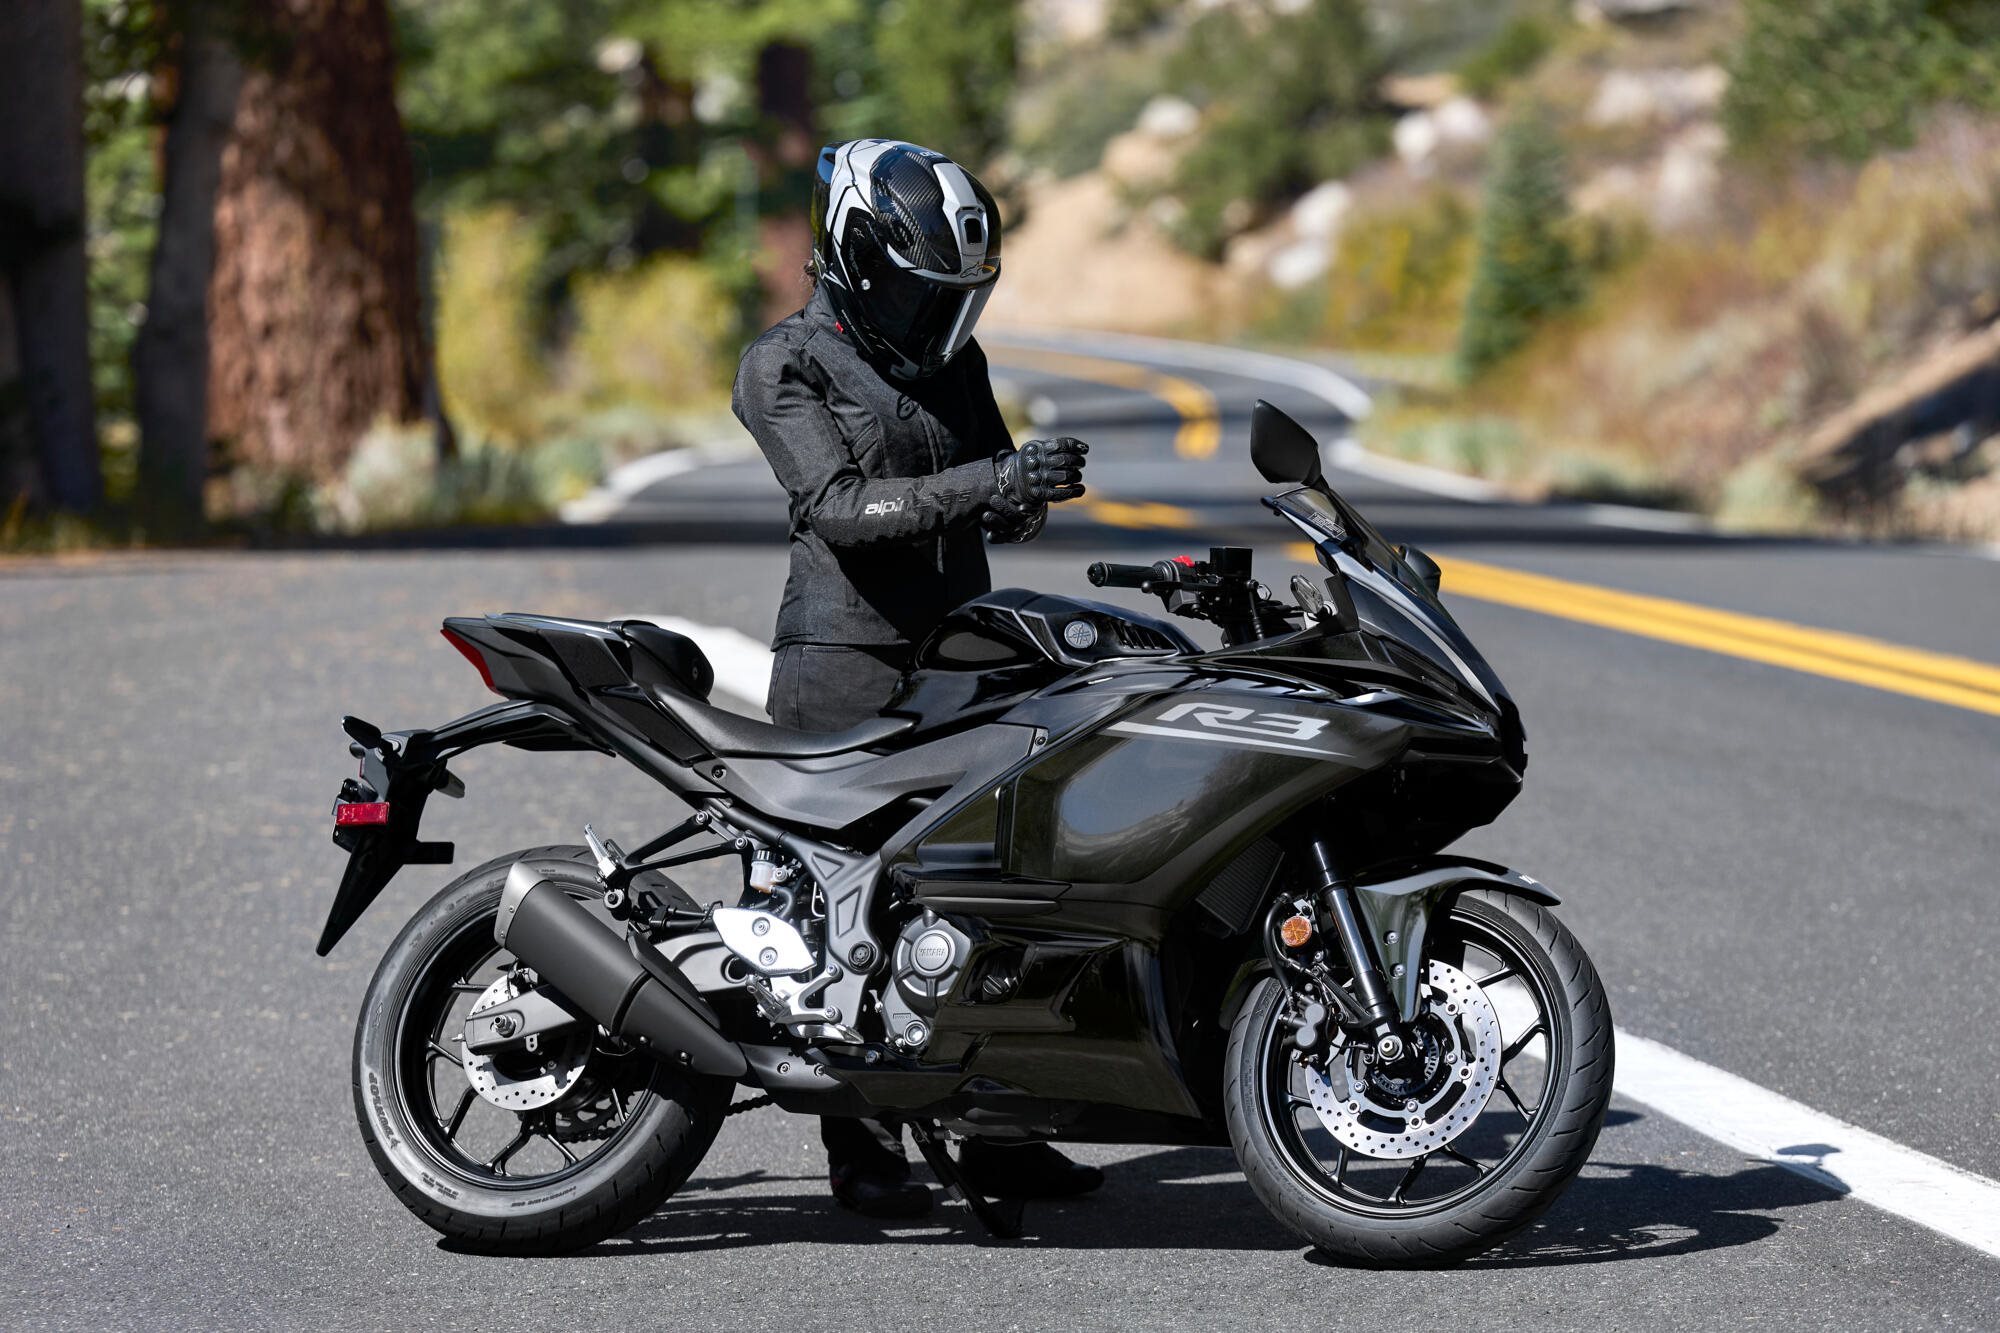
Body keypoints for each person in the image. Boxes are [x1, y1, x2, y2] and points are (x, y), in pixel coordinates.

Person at [731, 139, 1101, 1219]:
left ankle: (995, 1133)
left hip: (963, 657)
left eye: (952, 295)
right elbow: (840, 509)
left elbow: (986, 485)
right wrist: (993, 480)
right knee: (840, 902)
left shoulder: (953, 359)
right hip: (842, 662)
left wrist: (1027, 494)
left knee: (985, 888)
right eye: (915, 289)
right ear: (854, 257)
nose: (935, 315)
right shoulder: (783, 364)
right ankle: (860, 1147)